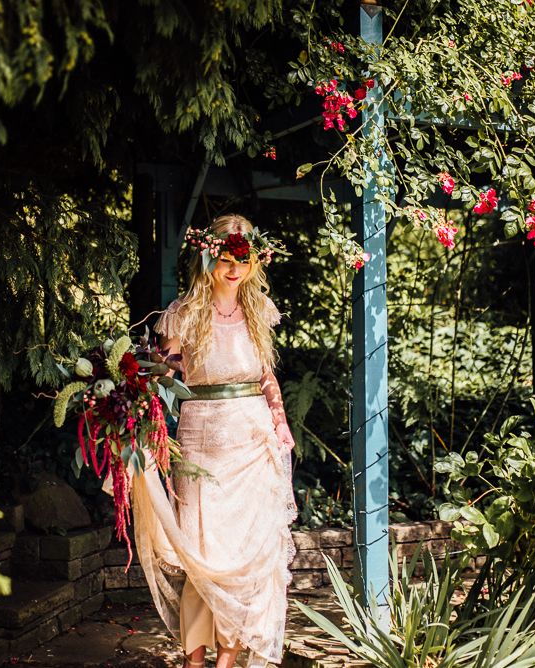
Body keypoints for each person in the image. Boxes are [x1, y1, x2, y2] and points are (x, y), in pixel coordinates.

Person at [129, 213, 297, 668]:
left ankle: (227, 660)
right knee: (203, 558)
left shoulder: (260, 310)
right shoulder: (183, 313)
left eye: (241, 261)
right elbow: (161, 374)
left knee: (250, 555)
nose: (233, 270)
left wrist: (280, 421)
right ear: (209, 258)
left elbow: (266, 377)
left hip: (252, 439)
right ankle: (194, 660)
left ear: (253, 262)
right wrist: (131, 399)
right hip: (202, 440)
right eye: (224, 259)